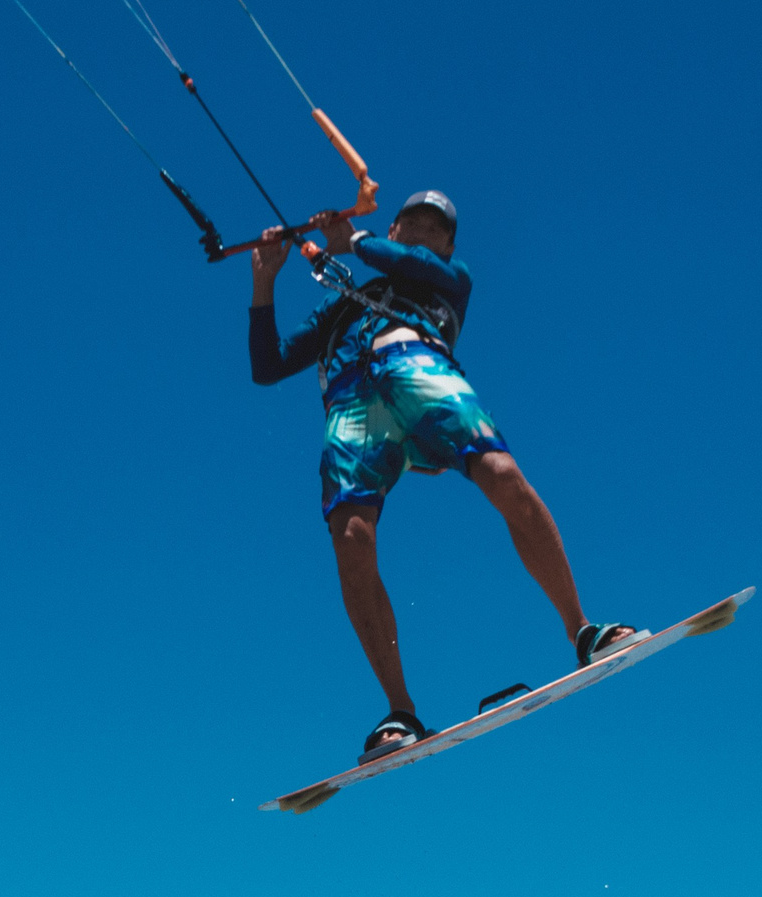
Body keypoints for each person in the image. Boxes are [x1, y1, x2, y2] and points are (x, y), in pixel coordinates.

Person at [251, 189, 635, 760]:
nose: (424, 231)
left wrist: (353, 241)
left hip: (416, 363)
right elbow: (269, 365)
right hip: (352, 398)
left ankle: (582, 629)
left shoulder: (448, 277)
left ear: (448, 243)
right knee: (349, 537)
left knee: (502, 473)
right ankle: (400, 711)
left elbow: (410, 263)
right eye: (413, 221)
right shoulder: (346, 301)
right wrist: (264, 282)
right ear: (397, 224)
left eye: (437, 228)